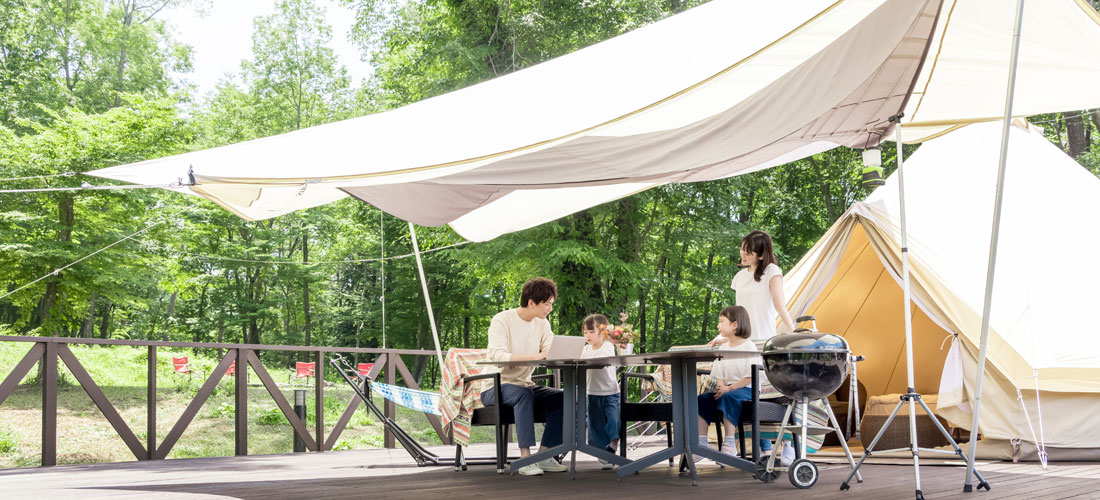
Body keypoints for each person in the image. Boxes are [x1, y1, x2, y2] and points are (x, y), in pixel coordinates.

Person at [481, 277, 567, 476]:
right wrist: (536, 356)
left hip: (524, 385)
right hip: (494, 386)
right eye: (547, 304)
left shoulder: (542, 324)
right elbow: (498, 356)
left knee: (563, 397)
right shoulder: (502, 320)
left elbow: (550, 349)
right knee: (523, 394)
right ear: (531, 302)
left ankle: (545, 455)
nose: (550, 309)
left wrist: (554, 353)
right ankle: (525, 459)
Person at [696, 306, 771, 462]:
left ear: (735, 325)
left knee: (729, 397)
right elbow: (719, 374)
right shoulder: (723, 348)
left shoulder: (748, 347)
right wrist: (722, 387)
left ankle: (729, 444)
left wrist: (728, 388)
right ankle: (701, 444)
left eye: (722, 321)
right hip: (727, 389)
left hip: (746, 390)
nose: (718, 325)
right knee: (702, 398)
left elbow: (750, 376)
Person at [730, 230, 797, 341]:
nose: (742, 255)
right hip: (742, 339)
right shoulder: (740, 276)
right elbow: (738, 313)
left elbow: (779, 305)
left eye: (748, 253)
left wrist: (792, 330)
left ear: (761, 256)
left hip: (763, 338)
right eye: (742, 249)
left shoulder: (771, 271)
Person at [581, 313, 620, 470]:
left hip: (610, 392)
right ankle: (603, 453)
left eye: (591, 331)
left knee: (613, 420)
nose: (588, 335)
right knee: (595, 424)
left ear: (602, 332)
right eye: (585, 332)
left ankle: (613, 444)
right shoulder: (584, 349)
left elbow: (603, 361)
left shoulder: (607, 346)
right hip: (592, 392)